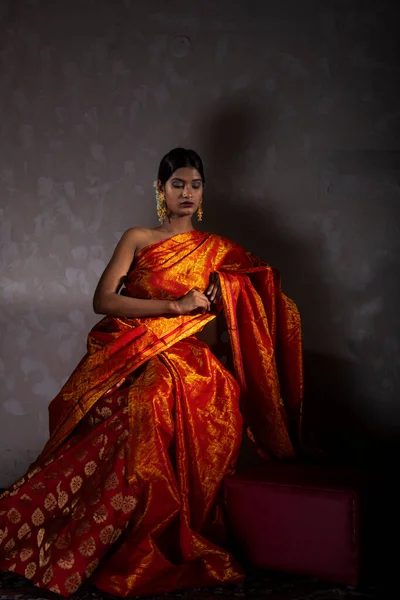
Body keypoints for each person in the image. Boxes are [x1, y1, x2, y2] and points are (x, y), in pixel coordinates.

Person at [0, 148, 303, 597]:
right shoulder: (138, 238)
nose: (186, 192)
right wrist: (174, 306)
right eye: (177, 184)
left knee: (181, 395)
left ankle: (158, 531)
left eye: (195, 185)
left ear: (203, 193)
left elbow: (265, 284)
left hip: (189, 358)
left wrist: (231, 287)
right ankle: (96, 531)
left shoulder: (217, 250)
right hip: (131, 351)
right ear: (161, 190)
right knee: (137, 403)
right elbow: (104, 300)